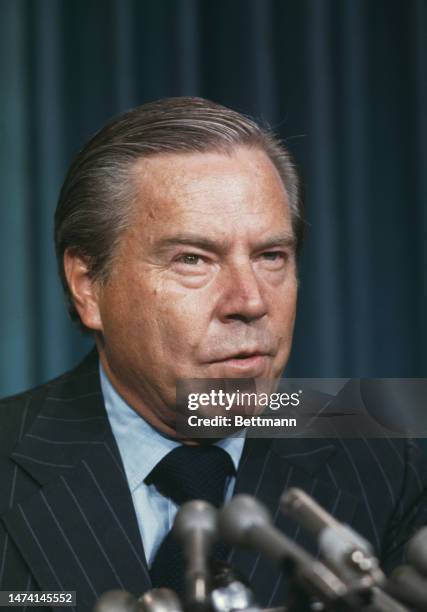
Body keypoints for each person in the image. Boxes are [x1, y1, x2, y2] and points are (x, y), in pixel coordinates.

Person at [0, 97, 426, 611]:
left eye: (271, 256)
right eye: (194, 259)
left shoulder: (390, 456)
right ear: (89, 285)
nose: (249, 301)